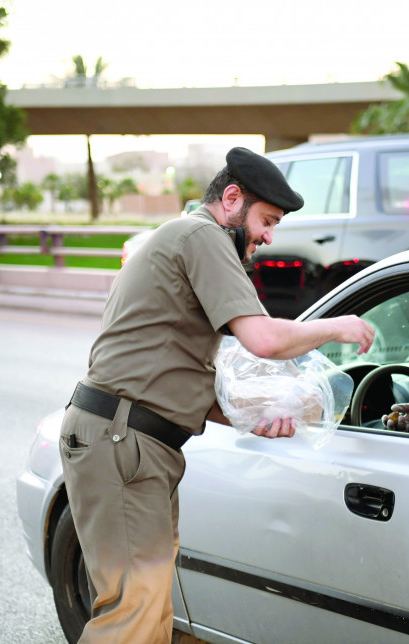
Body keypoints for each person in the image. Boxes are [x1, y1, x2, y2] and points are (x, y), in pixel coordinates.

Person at [59, 147, 375, 643]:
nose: (269, 236)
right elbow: (264, 340)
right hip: (124, 441)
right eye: (267, 220)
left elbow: (177, 375)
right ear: (232, 199)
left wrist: (261, 416)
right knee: (133, 614)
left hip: (130, 441)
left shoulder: (183, 239)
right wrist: (337, 325)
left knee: (150, 613)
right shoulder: (203, 236)